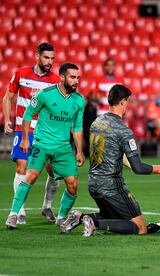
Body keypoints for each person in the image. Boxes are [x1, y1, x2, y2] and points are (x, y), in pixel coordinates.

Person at [60, 84, 160, 236]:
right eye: (128, 102)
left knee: (114, 217)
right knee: (140, 228)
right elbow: (138, 168)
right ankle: (94, 223)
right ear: (123, 102)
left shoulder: (97, 122)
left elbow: (110, 152)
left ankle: (80, 218)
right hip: (112, 186)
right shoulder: (123, 130)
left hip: (93, 183)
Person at [5, 63, 85, 229]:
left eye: (78, 77)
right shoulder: (45, 94)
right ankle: (14, 214)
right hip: (42, 143)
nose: (76, 81)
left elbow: (77, 127)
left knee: (73, 183)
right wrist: (26, 139)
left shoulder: (79, 100)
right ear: (62, 77)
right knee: (31, 175)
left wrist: (79, 151)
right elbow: (28, 114)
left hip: (62, 147)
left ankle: (61, 217)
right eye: (72, 77)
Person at [2, 42, 61, 224]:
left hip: (45, 132)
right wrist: (7, 120)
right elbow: (7, 97)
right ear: (37, 56)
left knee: (55, 172)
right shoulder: (21, 73)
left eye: (52, 58)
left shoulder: (54, 81)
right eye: (46, 57)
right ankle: (19, 210)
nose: (49, 61)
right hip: (23, 129)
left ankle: (47, 206)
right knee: (22, 167)